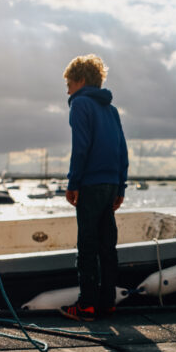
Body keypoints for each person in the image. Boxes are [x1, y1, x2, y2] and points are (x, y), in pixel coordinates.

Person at [60, 54, 129, 322]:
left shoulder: (80, 105)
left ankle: (86, 305)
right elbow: (121, 149)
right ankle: (107, 303)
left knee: (87, 246)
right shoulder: (111, 110)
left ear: (80, 80)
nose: (67, 89)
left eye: (68, 83)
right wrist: (120, 186)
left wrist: (73, 182)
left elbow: (81, 146)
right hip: (111, 184)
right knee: (107, 246)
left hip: (90, 183)